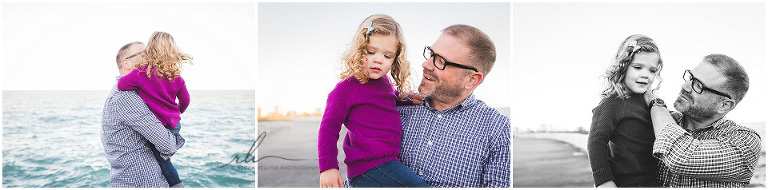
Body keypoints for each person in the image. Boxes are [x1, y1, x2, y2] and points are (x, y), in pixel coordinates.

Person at [317, 14, 427, 188]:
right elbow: (328, 127)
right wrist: (328, 168)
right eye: (371, 52)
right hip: (370, 167)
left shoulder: (385, 84)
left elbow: (389, 97)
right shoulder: (346, 88)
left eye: (387, 56)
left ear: (395, 59)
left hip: (386, 163)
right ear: (359, 50)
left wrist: (408, 98)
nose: (378, 59)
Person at [397, 24, 510, 187]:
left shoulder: (498, 130)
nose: (426, 64)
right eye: (431, 54)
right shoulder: (396, 108)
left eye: (440, 61)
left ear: (472, 79)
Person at [646, 54, 761, 187]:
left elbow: (681, 157)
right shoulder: (663, 120)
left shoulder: (745, 141)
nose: (685, 86)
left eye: (698, 85)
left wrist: (655, 103)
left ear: (724, 105)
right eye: (690, 77)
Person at [102, 41, 185, 187]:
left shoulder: (133, 93)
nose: (151, 58)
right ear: (126, 64)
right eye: (144, 54)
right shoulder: (125, 97)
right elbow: (168, 146)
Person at [587, 34, 664, 187]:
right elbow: (596, 142)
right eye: (638, 67)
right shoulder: (613, 103)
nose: (645, 75)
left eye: (652, 70)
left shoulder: (649, 102)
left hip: (655, 181)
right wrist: (604, 182)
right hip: (630, 184)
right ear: (623, 66)